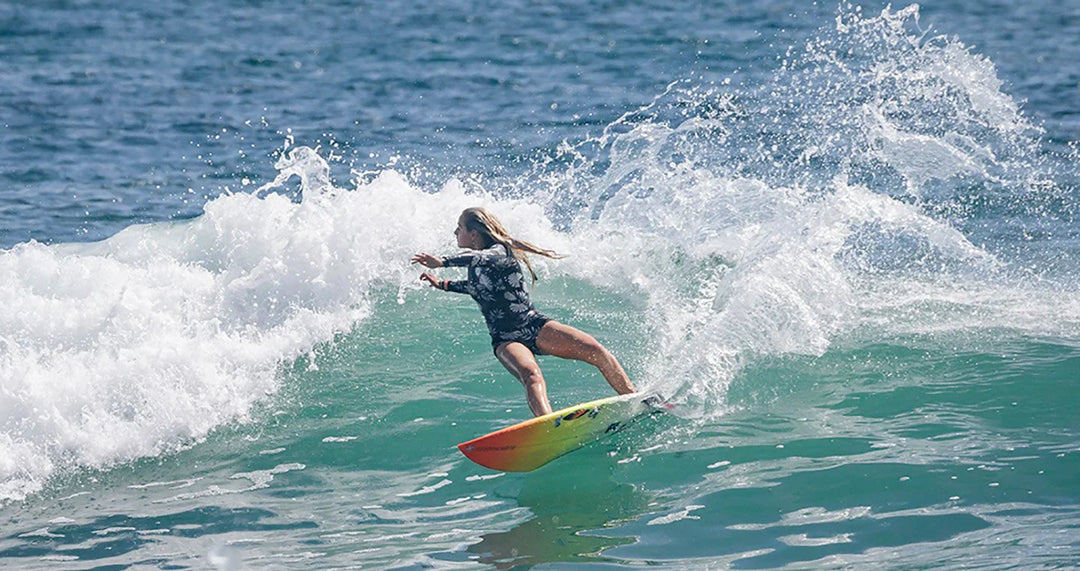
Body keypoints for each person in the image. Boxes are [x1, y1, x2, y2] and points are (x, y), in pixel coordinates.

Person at [411, 207, 637, 416]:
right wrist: (441, 284)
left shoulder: (499, 251)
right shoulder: (476, 270)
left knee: (595, 350)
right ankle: (550, 424)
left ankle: (634, 398)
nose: (455, 232)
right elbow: (472, 287)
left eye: (459, 227)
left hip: (533, 325)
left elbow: (482, 258)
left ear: (473, 233)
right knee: (531, 374)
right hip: (505, 339)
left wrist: (442, 262)